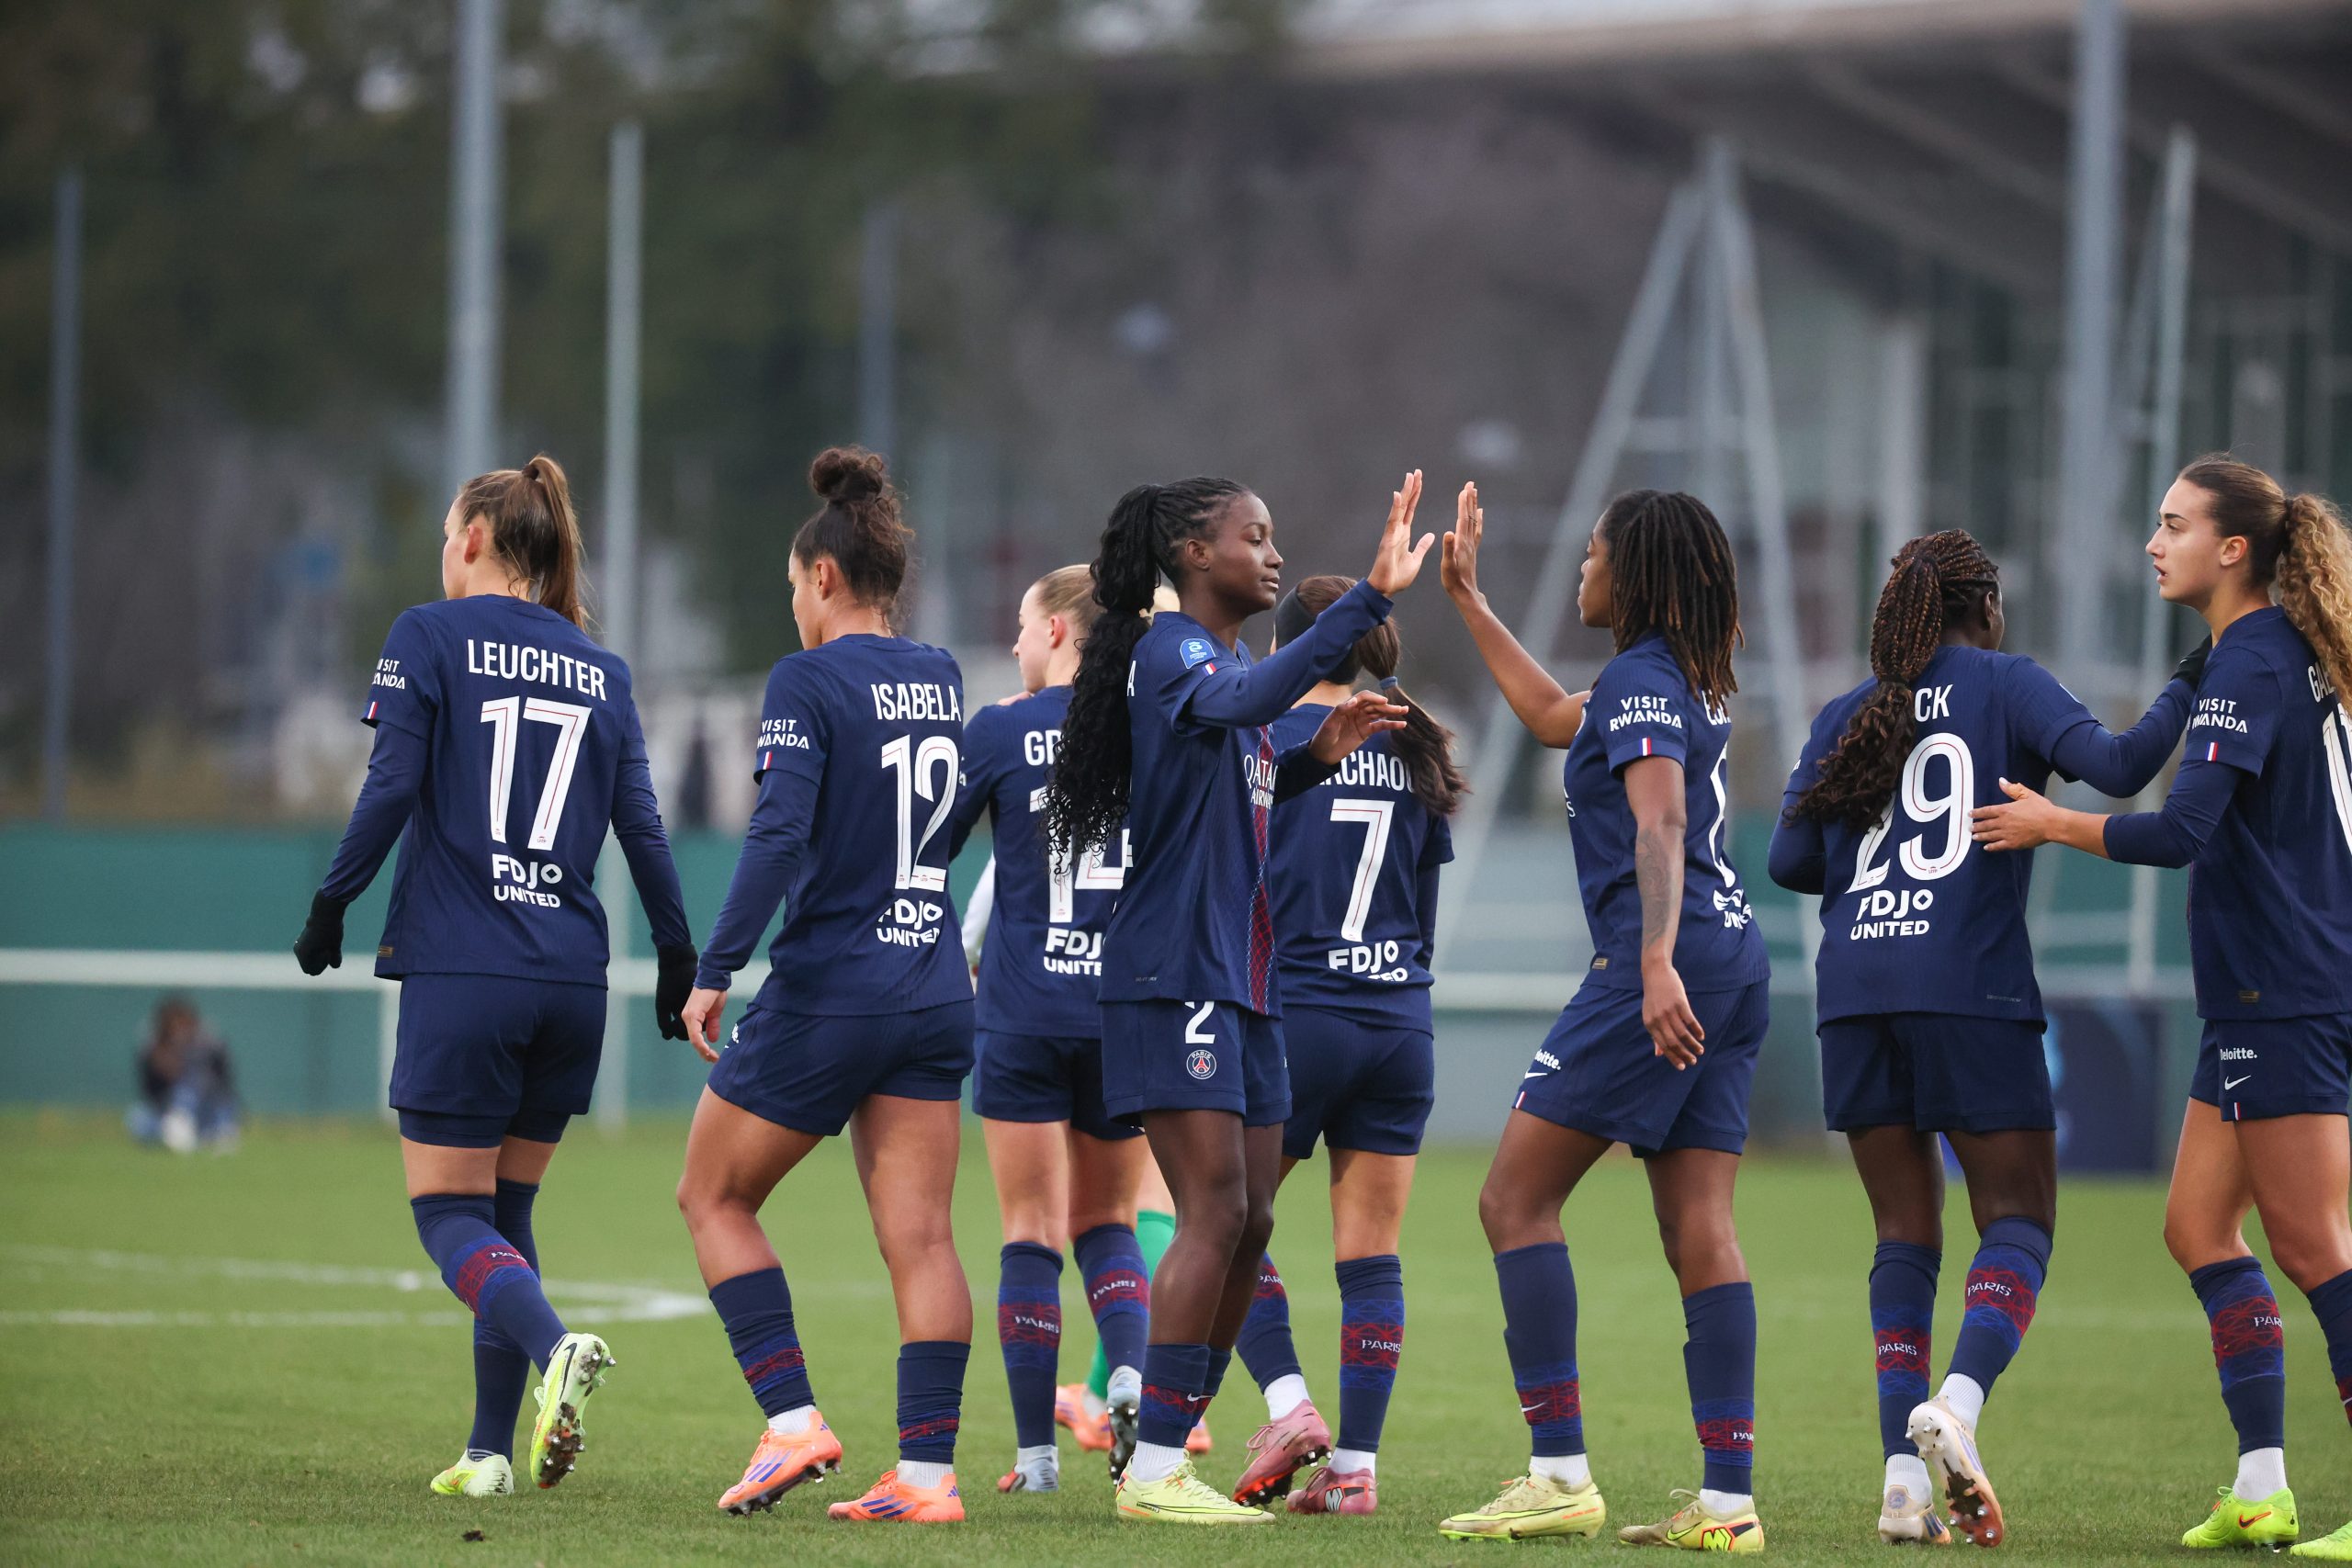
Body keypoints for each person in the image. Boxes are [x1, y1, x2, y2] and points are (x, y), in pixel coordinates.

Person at [1768, 528, 2199, 1547]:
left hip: (1855, 990)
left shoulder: (1848, 712)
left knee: (1901, 1237)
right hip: (1965, 981)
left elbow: (1789, 854)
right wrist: (2193, 673)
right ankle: (1954, 1408)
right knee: (2018, 1219)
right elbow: (2123, 765)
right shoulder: (2007, 683)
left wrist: (1874, 878)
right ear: (1986, 610)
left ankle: (1901, 1487)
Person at [292, 454, 698, 1499]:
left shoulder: (427, 635)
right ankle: (485, 1453)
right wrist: (677, 954)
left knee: (445, 1217)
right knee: (506, 1214)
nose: (441, 550)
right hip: (571, 979)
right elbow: (644, 831)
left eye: (444, 533)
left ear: (474, 539)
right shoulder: (600, 669)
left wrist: (333, 901)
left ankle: (557, 1351)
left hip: (468, 966)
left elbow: (388, 788)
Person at [1970, 457, 2352, 1559]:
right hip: (2256, 990)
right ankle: (2262, 1485)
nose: (2153, 540)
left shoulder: (2253, 664)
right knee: (2196, 1228)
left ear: (2233, 550)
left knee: (2316, 1245)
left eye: (2174, 524)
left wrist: (2052, 826)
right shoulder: (2248, 653)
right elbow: (2153, 774)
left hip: (2284, 987)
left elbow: (2177, 831)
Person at [1042, 471, 1431, 1523]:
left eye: (1275, 534)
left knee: (1253, 1217)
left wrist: (1313, 758)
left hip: (1242, 979)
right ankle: (1160, 1464)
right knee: (1212, 1209)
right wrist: (1370, 601)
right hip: (1177, 974)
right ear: (1192, 555)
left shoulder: (1222, 665)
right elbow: (1247, 704)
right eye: (1252, 537)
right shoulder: (1172, 649)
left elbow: (1239, 766)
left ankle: (1163, 1444)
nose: (1270, 553)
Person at [1433, 483, 1770, 1552]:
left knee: (1510, 1201)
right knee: (1697, 1229)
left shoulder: (1638, 677)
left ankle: (1558, 1473)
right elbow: (1545, 721)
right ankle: (1726, 1503)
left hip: (1657, 964)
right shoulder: (1676, 678)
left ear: (1633, 574)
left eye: (1591, 554)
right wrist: (1469, 600)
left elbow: (1660, 816)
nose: (1581, 569)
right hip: (1735, 956)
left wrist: (1654, 961)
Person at [676, 447, 978, 1526]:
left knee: (712, 1196)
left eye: (793, 587)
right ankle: (929, 1479)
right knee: (927, 1239)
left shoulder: (805, 679)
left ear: (826, 580)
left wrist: (714, 972)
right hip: (934, 982)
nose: (793, 607)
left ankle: (793, 1420)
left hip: (835, 986)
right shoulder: (940, 672)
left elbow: (777, 832)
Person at [1224, 573, 1466, 1516]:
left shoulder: (1275, 736)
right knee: (1372, 1258)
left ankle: (1287, 1405)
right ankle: (1354, 1471)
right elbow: (1425, 907)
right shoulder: (1418, 742)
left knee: (1218, 1221)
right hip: (1399, 1020)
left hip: (1297, 1014)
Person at [942, 564, 1153, 1495]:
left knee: (1029, 1231)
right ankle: (1134, 1383)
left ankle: (1034, 1461)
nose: (1019, 646)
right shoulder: (1155, 729)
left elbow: (929, 845)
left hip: (1023, 1012)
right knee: (1108, 1222)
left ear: (1061, 632)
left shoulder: (998, 728)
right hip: (1120, 1013)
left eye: (1025, 628)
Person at [128, 996, 240, 1153]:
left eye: (182, 1024)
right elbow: (151, 1090)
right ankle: (178, 1131)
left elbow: (222, 1087)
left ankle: (194, 1132)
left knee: (192, 1098)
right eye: (173, 1026)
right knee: (139, 1120)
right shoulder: (154, 1045)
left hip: (207, 1110)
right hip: (165, 1110)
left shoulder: (208, 1044)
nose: (179, 1031)